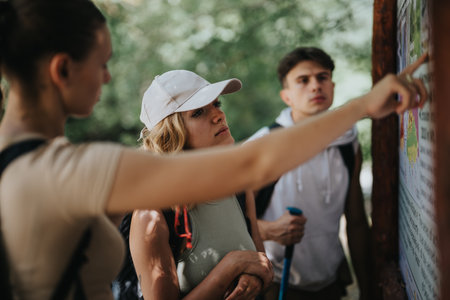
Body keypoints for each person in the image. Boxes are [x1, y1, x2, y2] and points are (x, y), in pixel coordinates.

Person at [0, 0, 426, 299]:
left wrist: (253, 269)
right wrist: (363, 106)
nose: (108, 79)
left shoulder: (21, 164)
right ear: (62, 69)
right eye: (103, 63)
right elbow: (251, 163)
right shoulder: (68, 169)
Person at [247, 47, 413, 300]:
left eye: (322, 77)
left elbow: (356, 221)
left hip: (330, 284)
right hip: (275, 285)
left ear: (332, 86)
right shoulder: (266, 145)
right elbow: (229, 223)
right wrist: (268, 230)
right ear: (287, 96)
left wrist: (368, 289)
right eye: (303, 80)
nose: (315, 86)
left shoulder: (347, 142)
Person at [115, 70, 267, 300]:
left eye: (217, 103)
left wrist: (255, 278)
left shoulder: (238, 186)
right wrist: (231, 267)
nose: (219, 115)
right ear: (172, 134)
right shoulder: (153, 214)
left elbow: (262, 265)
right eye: (198, 112)